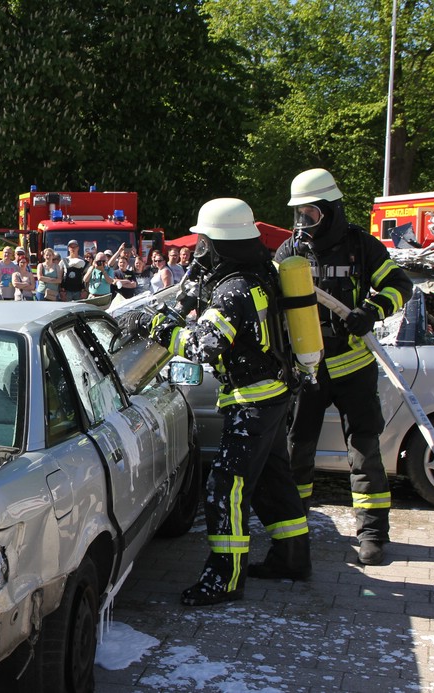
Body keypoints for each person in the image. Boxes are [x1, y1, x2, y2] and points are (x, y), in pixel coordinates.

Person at [150, 198, 309, 606]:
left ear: (218, 244)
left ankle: (225, 577)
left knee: (226, 485)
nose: (199, 250)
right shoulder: (260, 275)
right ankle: (292, 557)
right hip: (274, 393)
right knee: (274, 479)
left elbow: (203, 347)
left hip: (252, 400)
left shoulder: (234, 289)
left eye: (203, 242)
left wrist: (160, 327)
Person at [275, 169, 412, 566]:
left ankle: (372, 534)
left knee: (364, 452)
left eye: (311, 214)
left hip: (353, 367)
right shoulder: (289, 253)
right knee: (297, 450)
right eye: (299, 215)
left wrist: (371, 311)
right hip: (308, 370)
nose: (303, 224)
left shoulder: (362, 247)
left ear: (331, 211)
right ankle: (293, 533)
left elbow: (400, 285)